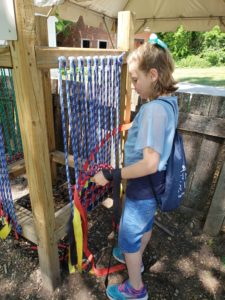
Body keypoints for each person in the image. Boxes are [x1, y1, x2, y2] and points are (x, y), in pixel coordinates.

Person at [93, 33, 178, 300]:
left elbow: (150, 163)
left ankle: (135, 288)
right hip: (153, 188)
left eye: (134, 79)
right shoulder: (167, 103)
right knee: (144, 224)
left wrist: (112, 175)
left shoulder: (154, 110)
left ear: (153, 75)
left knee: (129, 235)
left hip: (143, 186)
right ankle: (135, 257)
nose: (133, 86)